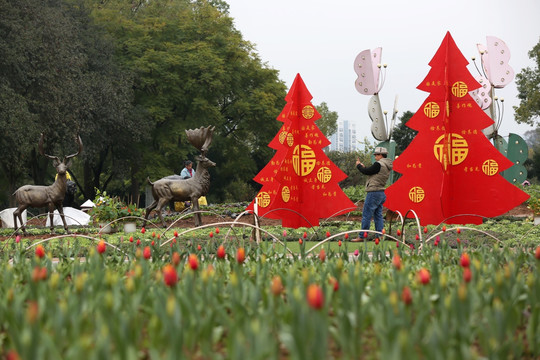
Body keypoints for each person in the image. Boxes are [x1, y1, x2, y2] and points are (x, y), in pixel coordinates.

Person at [355, 147, 393, 240]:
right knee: (378, 216)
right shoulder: (386, 165)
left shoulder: (378, 164)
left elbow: (366, 171)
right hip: (381, 193)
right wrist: (364, 167)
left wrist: (359, 166)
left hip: (373, 193)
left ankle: (362, 236)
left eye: (376, 155)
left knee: (366, 215)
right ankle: (380, 236)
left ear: (381, 155)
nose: (375, 156)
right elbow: (371, 171)